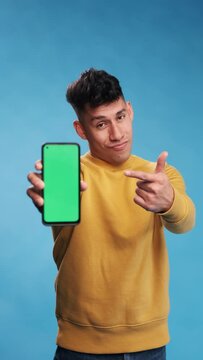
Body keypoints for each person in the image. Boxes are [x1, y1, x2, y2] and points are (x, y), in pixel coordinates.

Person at [27, 68, 195, 360]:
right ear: (81, 130)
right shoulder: (70, 174)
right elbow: (60, 216)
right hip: (80, 347)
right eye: (101, 124)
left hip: (149, 345)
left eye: (120, 117)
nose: (117, 134)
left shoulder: (160, 175)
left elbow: (186, 222)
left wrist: (169, 202)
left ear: (130, 111)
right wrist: (50, 202)